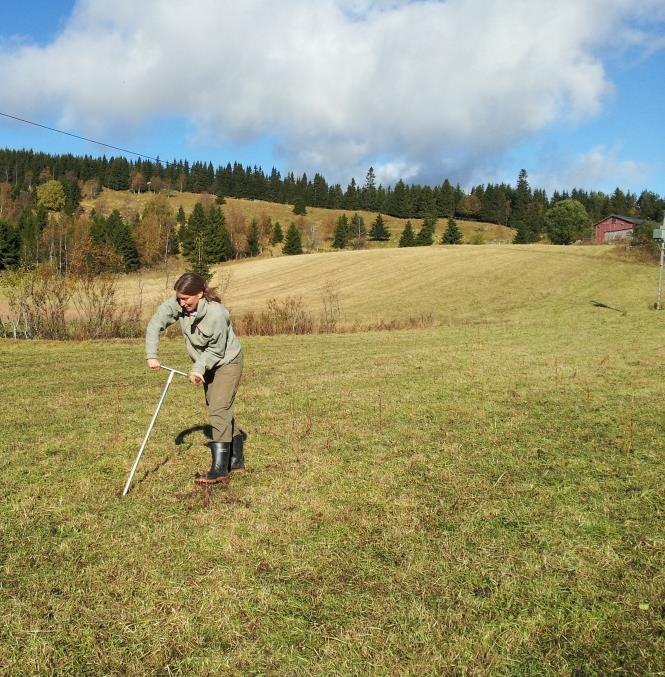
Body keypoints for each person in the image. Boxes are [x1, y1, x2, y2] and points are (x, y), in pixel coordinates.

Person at [145, 272, 244, 484]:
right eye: (179, 298)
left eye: (186, 299)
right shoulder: (177, 303)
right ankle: (236, 460)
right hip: (205, 363)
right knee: (220, 407)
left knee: (218, 408)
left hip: (227, 361)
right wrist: (152, 355)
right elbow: (155, 324)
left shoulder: (217, 314)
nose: (181, 303)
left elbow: (216, 350)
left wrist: (198, 368)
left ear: (199, 294)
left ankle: (219, 470)